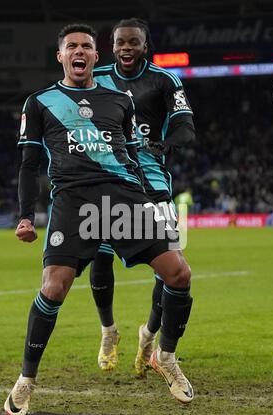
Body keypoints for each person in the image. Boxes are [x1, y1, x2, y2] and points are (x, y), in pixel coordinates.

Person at [4, 22, 194, 415]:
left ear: (95, 56)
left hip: (123, 198)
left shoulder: (119, 100)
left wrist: (144, 200)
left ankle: (167, 357)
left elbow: (130, 156)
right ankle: (26, 379)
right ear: (61, 56)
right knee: (54, 288)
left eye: (86, 47)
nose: (79, 52)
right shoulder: (39, 102)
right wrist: (25, 216)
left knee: (179, 275)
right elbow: (28, 164)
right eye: (71, 46)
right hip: (73, 201)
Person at [90, 18, 195, 377]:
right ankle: (108, 332)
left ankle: (149, 337)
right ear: (112, 45)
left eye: (134, 42)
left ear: (145, 46)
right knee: (100, 258)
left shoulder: (166, 80)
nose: (126, 48)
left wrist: (166, 144)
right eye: (121, 42)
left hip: (152, 182)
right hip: (107, 178)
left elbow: (185, 125)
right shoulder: (96, 76)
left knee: (168, 267)